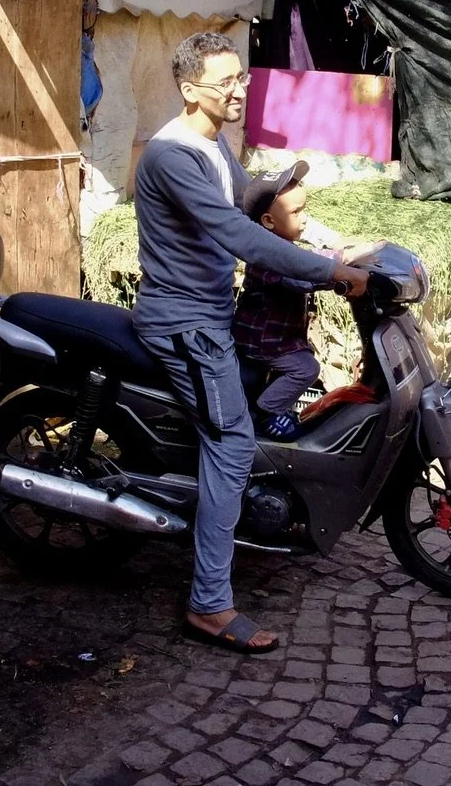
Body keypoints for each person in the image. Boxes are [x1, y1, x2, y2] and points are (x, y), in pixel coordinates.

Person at [131, 32, 368, 653]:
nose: (239, 90)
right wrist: (331, 272)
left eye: (241, 78)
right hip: (185, 323)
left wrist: (343, 244)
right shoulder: (172, 154)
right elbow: (240, 232)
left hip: (211, 313)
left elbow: (257, 202)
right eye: (225, 81)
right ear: (189, 90)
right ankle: (209, 603)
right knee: (233, 444)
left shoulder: (215, 143)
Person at [233, 162, 342, 441]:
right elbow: (302, 278)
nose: (304, 219)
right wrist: (340, 272)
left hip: (277, 337)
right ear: (268, 221)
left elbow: (308, 260)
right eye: (296, 212)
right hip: (262, 340)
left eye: (304, 209)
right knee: (306, 368)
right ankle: (267, 411)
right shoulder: (265, 256)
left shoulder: (283, 246)